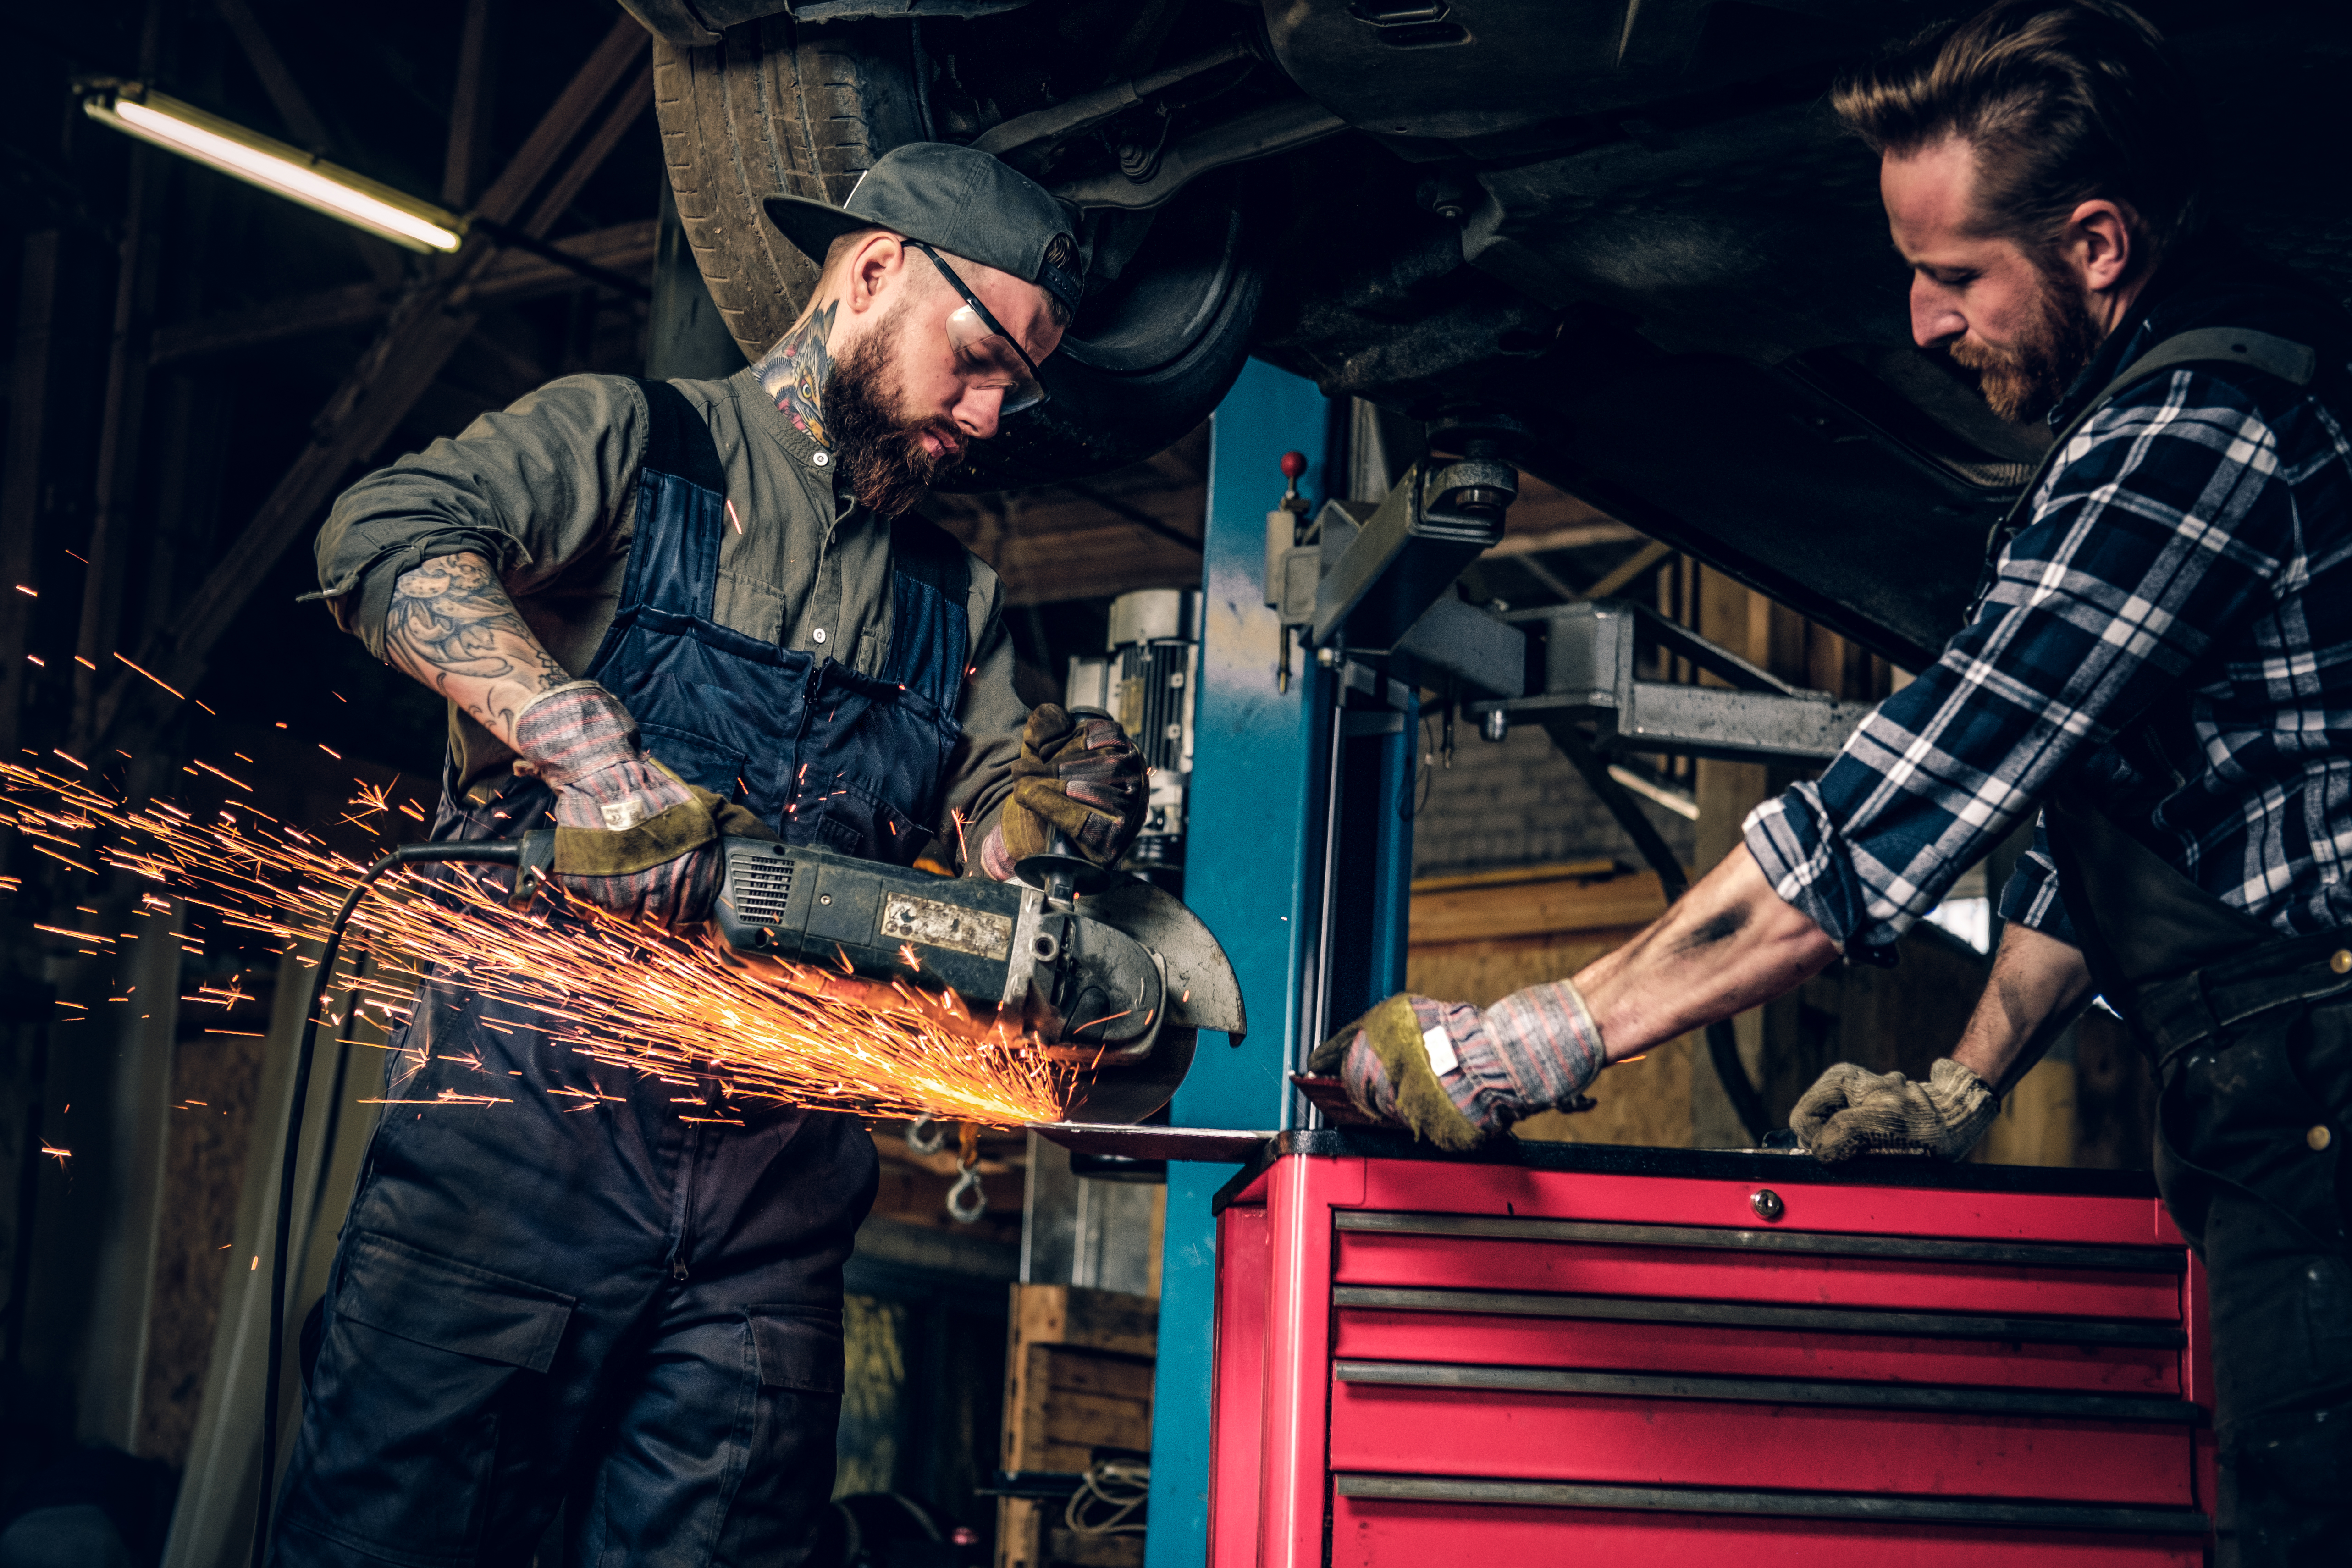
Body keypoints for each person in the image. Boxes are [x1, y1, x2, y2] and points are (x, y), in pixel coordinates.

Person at [1314, 3, 2352, 1558]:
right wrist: (1961, 1081)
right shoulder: (2138, 424)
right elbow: (2102, 832)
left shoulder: (2197, 425)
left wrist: (1534, 1040)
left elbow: (1894, 810)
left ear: (2093, 243)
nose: (1921, 325)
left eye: (1953, 277)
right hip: (2271, 1086)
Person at [278, 143, 1147, 1566]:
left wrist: (1044, 820)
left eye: (1016, 389)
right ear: (873, 272)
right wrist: (589, 755)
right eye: (978, 357)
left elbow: (1001, 819)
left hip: (771, 1222)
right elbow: (382, 532)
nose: (989, 415)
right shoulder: (634, 441)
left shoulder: (956, 600)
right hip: (513, 1165)